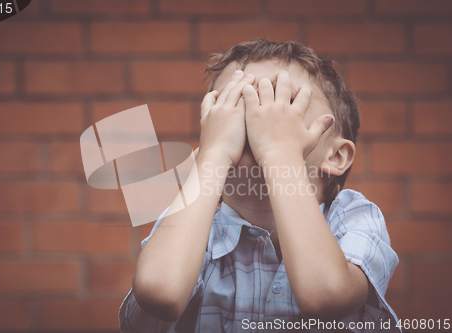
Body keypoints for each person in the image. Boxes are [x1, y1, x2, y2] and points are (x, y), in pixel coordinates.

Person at [119, 39, 400, 332]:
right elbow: (160, 293)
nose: (255, 117)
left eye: (283, 102)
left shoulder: (353, 216)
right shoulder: (191, 228)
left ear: (337, 156)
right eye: (234, 104)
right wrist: (212, 155)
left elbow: (326, 295)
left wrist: (280, 153)